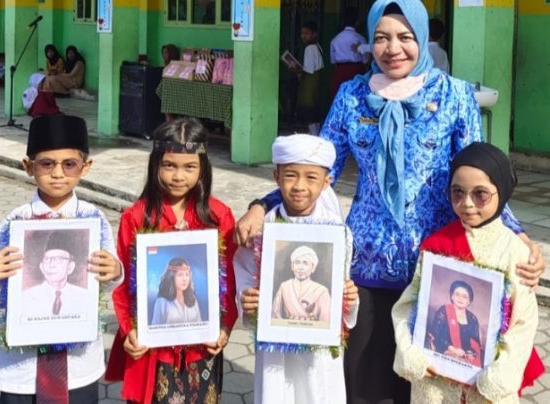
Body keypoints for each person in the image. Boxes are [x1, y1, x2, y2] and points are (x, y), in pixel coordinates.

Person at [234, 1, 545, 402]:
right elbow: (317, 169)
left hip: (438, 264)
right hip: (363, 262)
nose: (392, 48)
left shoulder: (453, 95)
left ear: (421, 38)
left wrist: (516, 234)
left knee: (424, 381)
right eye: (381, 38)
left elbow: (479, 174)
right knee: (363, 378)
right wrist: (263, 203)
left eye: (404, 37)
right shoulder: (351, 95)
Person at [392, 141, 542, 403]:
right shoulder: (437, 245)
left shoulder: (515, 252)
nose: (467, 204)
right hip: (435, 384)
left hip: (485, 385)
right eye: (457, 193)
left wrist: (497, 376)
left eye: (480, 194)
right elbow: (408, 308)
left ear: (502, 192)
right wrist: (412, 353)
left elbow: (523, 323)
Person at [0, 114, 122, 403]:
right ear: (28, 166)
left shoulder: (94, 219)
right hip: (20, 368)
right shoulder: (14, 222)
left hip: (78, 364)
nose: (58, 173)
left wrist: (115, 269)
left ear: (85, 167)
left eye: (69, 164)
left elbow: (106, 287)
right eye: (47, 163)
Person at [105, 118, 238, 404]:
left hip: (201, 348)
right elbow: (123, 282)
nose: (179, 176)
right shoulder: (137, 217)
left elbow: (230, 281)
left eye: (189, 167)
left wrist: (225, 328)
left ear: (203, 169)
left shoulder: (218, 217)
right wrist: (131, 330)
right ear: (155, 165)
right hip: (154, 351)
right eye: (169, 166)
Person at [234, 134, 359, 403]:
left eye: (311, 178)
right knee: (276, 390)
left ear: (327, 182)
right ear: (276, 178)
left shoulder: (337, 232)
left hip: (320, 351)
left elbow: (342, 286)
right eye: (290, 176)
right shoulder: (261, 228)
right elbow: (243, 271)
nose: (299, 186)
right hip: (275, 349)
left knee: (319, 391)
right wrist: (247, 299)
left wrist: (349, 299)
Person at [22, 230, 88, 318]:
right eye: (47, 259)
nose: (51, 264)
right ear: (41, 267)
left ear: (70, 267)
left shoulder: (85, 296)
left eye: (58, 259)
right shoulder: (25, 297)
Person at [426, 280, 482, 367]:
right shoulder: (444, 310)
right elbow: (435, 335)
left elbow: (475, 342)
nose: (460, 298)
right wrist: (453, 350)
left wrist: (470, 354)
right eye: (457, 294)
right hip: (446, 353)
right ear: (452, 296)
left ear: (469, 301)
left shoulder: (472, 318)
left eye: (464, 296)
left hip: (466, 357)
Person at [272, 245, 331, 322]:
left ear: (313, 267)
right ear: (292, 266)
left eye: (305, 263)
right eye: (297, 262)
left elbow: (326, 322)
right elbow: (275, 315)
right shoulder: (284, 287)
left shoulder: (322, 291)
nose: (300, 267)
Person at [291, 21, 324, 136]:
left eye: (307, 33)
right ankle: (317, 134)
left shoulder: (309, 48)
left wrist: (296, 69)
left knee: (309, 111)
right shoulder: (318, 47)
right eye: (302, 33)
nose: (303, 36)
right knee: (315, 113)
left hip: (310, 82)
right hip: (316, 82)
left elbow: (308, 69)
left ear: (314, 34)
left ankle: (314, 136)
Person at [330, 7, 370, 99]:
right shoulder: (361, 38)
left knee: (339, 98)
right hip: (357, 72)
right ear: (357, 22)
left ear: (343, 21)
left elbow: (333, 61)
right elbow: (366, 60)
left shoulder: (334, 40)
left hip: (339, 71)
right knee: (355, 99)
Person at [151, 257, 202, 325]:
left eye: (187, 274)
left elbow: (200, 324)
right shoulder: (162, 302)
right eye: (180, 275)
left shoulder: (193, 299)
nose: (185, 279)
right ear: (171, 277)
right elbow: (155, 329)